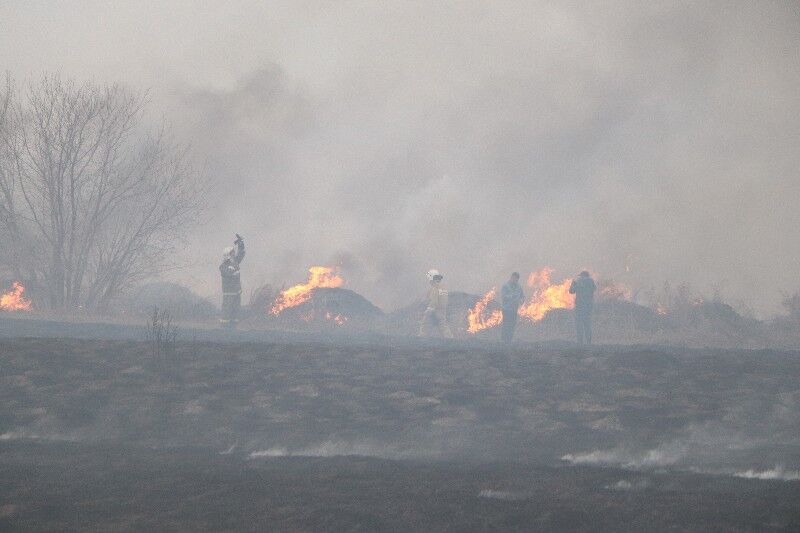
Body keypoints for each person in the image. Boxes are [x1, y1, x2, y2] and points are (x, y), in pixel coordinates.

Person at [219, 234, 245, 328]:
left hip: (236, 292)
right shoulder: (223, 266)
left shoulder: (235, 262)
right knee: (227, 310)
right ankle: (224, 328)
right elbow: (227, 274)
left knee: (235, 310)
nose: (234, 254)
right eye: (232, 253)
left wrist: (241, 243)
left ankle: (233, 328)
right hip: (229, 293)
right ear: (228, 255)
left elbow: (241, 254)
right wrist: (232, 270)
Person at [418, 269, 453, 338]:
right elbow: (444, 299)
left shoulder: (435, 288)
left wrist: (428, 310)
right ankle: (449, 338)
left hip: (434, 309)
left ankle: (421, 337)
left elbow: (434, 301)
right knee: (443, 325)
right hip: (442, 310)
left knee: (425, 323)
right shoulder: (443, 288)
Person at [569, 270, 596, 345]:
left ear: (582, 276)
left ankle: (580, 342)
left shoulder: (579, 281)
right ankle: (589, 342)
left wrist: (572, 284)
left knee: (579, 324)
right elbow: (594, 289)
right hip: (589, 306)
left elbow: (571, 291)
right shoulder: (591, 281)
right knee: (587, 324)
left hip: (580, 306)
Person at [500, 272, 525, 342]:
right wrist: (511, 297)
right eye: (514, 278)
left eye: (516, 279)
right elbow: (503, 296)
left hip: (514, 309)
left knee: (512, 324)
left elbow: (522, 296)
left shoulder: (519, 287)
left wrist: (522, 301)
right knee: (506, 324)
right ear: (511, 277)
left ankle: (509, 340)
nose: (515, 280)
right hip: (506, 309)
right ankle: (503, 340)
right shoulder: (505, 286)